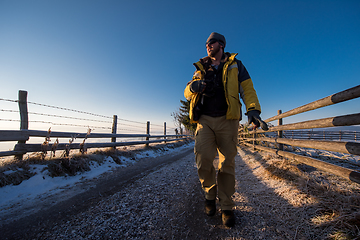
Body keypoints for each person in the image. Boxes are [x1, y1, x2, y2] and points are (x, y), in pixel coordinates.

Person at [184, 32, 267, 228]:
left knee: (227, 163)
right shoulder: (200, 68)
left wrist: (253, 109)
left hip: (227, 120)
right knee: (203, 159)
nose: (207, 45)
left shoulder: (236, 65)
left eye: (210, 42)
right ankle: (209, 196)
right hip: (204, 120)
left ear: (221, 45)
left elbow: (247, 89)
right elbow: (187, 91)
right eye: (205, 43)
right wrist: (194, 86)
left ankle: (227, 207)